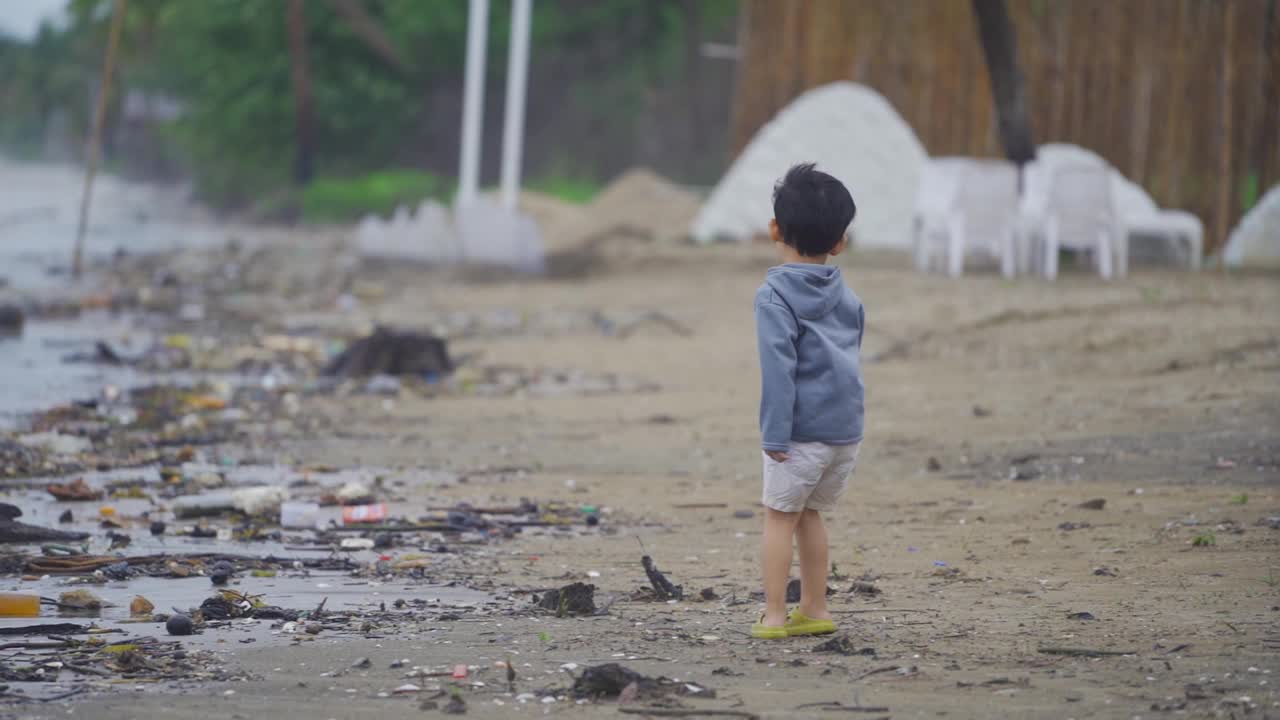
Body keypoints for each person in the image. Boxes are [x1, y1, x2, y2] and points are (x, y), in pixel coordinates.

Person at [751, 163, 865, 639]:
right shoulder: (848, 295)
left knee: (780, 518)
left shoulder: (774, 296)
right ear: (839, 242)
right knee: (811, 515)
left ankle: (776, 615)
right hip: (845, 432)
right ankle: (815, 608)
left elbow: (780, 371)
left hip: (798, 434)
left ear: (774, 229)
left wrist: (775, 434)